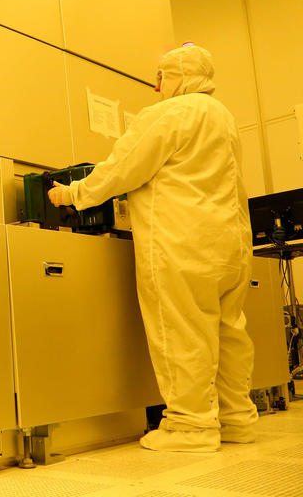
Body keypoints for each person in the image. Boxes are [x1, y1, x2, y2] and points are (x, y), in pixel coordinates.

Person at [48, 45, 257, 452]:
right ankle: (236, 419)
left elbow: (121, 169)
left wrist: (72, 193)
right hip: (230, 244)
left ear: (178, 76)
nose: (157, 85)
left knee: (182, 332)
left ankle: (191, 428)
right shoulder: (223, 116)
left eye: (161, 77)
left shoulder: (167, 114)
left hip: (183, 242)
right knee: (229, 332)